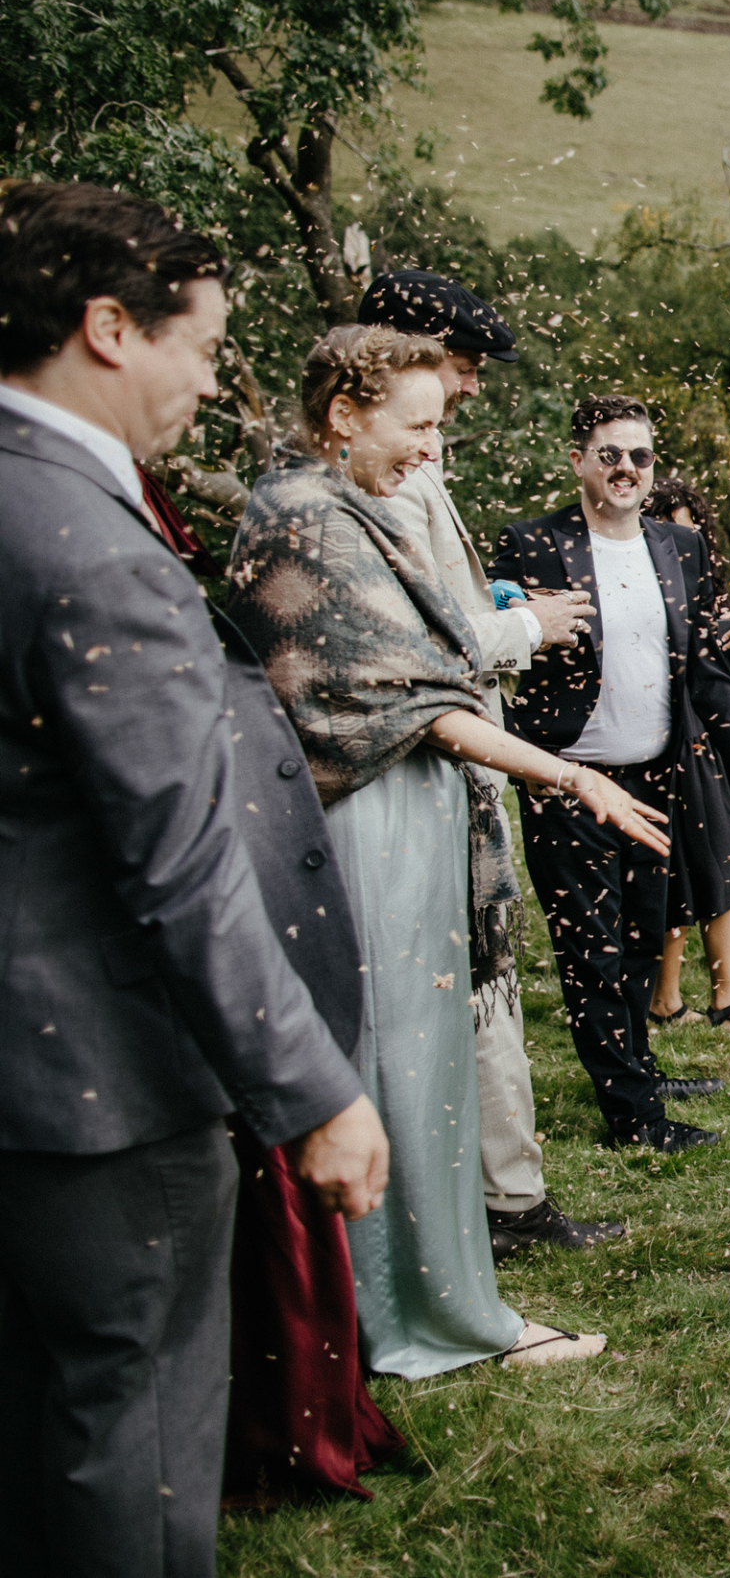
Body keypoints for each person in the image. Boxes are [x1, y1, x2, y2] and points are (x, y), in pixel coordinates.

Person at [0, 180, 388, 1574]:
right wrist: (317, 1089)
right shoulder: (97, 551)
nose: (214, 379)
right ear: (110, 326)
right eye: (204, 344)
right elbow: (177, 866)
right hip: (99, 1093)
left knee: (36, 1424)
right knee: (138, 1442)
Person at [227, 325, 667, 1376]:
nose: (433, 448)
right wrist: (571, 775)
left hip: (409, 825)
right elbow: (409, 700)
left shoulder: (341, 506)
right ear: (344, 413)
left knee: (421, 1063)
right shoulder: (303, 518)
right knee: (391, 1064)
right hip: (364, 829)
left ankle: (415, 1299)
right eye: (417, 425)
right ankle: (413, 1317)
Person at [357, 267, 625, 1264]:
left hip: (464, 761)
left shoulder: (414, 459)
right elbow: (398, 639)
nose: (468, 389)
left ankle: (511, 1197)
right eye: (462, 366)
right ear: (403, 351)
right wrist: (523, 624)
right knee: (462, 980)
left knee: (490, 973)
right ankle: (489, 1206)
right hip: (428, 762)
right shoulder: (375, 474)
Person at [489, 396, 730, 1152]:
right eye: (611, 454)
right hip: (569, 778)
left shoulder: (680, 550)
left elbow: (708, 671)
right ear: (578, 460)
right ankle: (636, 1119)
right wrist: (525, 621)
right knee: (594, 949)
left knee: (645, 936)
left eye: (641, 457)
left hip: (657, 777)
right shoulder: (529, 545)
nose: (626, 469)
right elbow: (497, 650)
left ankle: (639, 1071)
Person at [638, 476, 730, 1046]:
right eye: (672, 525)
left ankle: (726, 995)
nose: (684, 538)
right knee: (678, 863)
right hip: (667, 738)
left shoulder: (716, 601)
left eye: (692, 527)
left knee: (729, 858)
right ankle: (666, 998)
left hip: (721, 737)